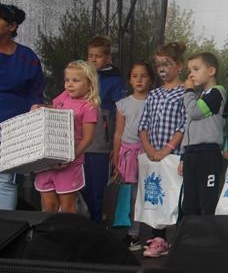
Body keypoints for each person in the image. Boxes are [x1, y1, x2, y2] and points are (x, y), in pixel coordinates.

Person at [138, 42, 186, 258]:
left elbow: (184, 125)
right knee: (158, 194)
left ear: (179, 66)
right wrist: (149, 148)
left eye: (167, 64)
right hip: (154, 155)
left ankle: (181, 240)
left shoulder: (185, 93)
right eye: (158, 65)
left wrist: (167, 149)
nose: (162, 69)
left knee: (176, 195)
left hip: (174, 155)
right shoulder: (154, 94)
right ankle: (159, 239)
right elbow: (143, 124)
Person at [33, 60, 99, 214]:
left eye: (75, 80)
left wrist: (70, 157)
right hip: (49, 159)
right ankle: (49, 230)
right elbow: (52, 110)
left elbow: (88, 138)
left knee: (67, 207)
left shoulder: (88, 107)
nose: (69, 84)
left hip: (70, 162)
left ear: (89, 84)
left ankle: (68, 231)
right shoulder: (64, 96)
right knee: (49, 206)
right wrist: (40, 108)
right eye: (67, 80)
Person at [0, 3, 44, 210]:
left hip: (13, 132)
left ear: (12, 26)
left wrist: (35, 107)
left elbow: (36, 93)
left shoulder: (28, 57)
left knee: (6, 181)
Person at [112, 60, 154, 251]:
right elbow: (118, 133)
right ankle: (132, 233)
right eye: (135, 76)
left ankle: (155, 233)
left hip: (148, 153)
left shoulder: (155, 101)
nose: (139, 80)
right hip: (128, 154)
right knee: (130, 195)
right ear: (129, 79)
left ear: (150, 79)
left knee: (149, 191)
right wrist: (116, 157)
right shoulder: (123, 104)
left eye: (143, 76)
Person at [83, 36, 126, 223]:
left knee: (97, 186)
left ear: (108, 58)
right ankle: (85, 221)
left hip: (100, 142)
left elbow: (119, 113)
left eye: (98, 56)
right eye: (90, 56)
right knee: (81, 185)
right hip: (80, 141)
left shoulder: (115, 80)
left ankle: (97, 223)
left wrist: (116, 144)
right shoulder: (81, 76)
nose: (93, 60)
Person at [179, 52, 226, 216]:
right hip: (191, 154)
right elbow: (189, 126)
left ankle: (207, 231)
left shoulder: (217, 92)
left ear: (211, 71)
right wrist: (183, 156)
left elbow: (194, 112)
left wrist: (188, 91)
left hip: (208, 154)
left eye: (196, 69)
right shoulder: (199, 96)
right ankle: (191, 230)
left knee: (207, 201)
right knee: (189, 202)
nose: (191, 74)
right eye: (189, 70)